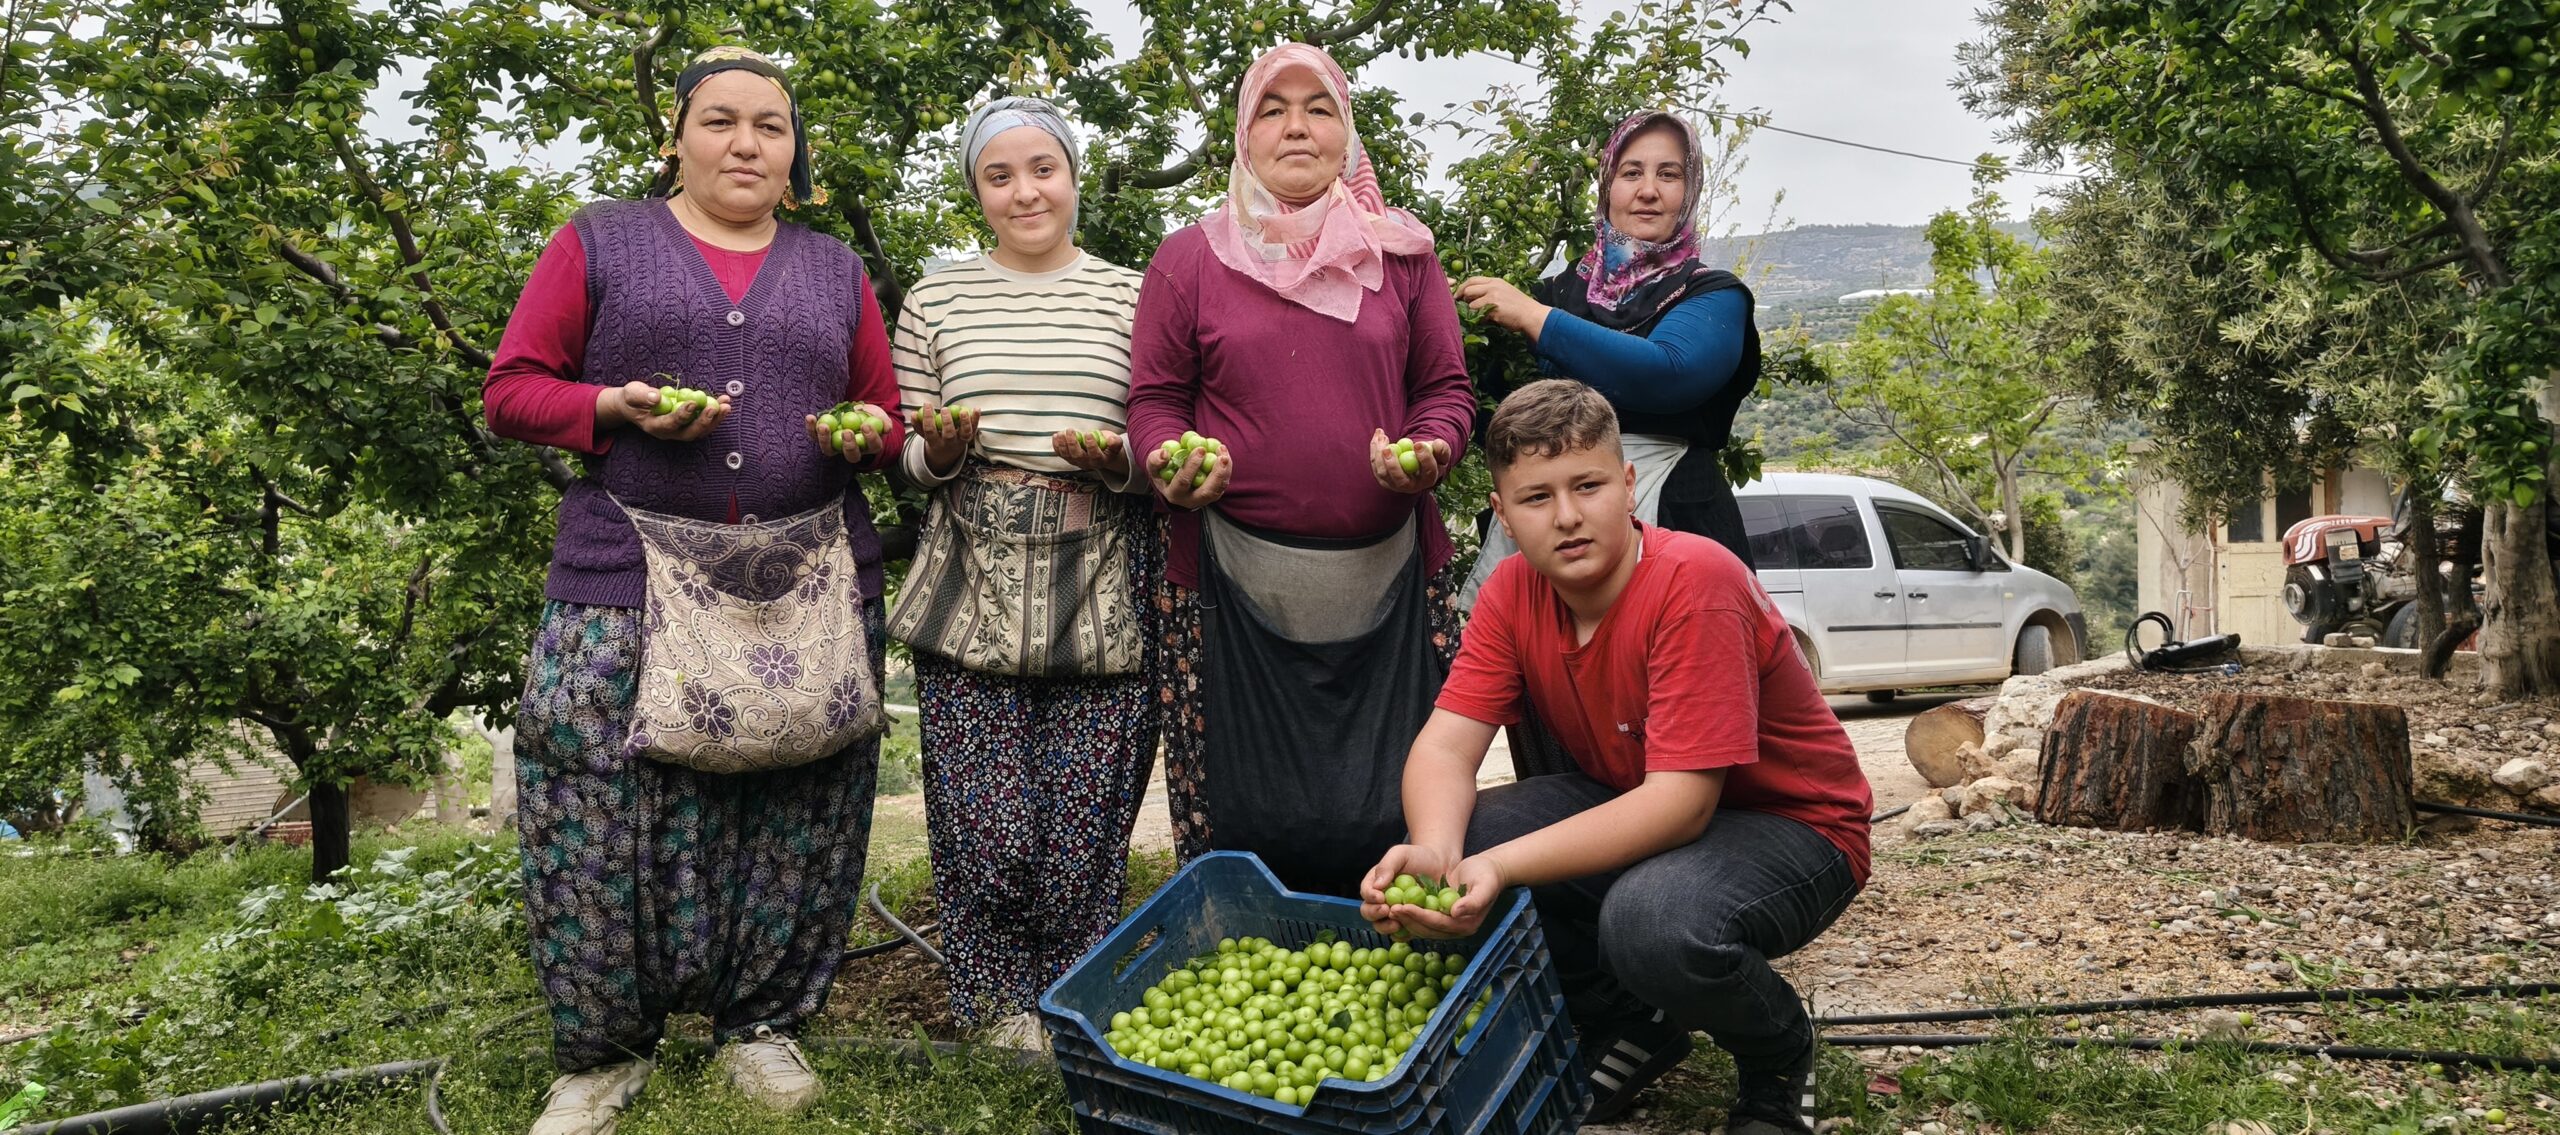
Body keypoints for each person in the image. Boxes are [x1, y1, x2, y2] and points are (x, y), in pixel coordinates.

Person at [482, 46, 902, 1135]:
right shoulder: (599, 239)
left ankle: (760, 1026)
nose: (747, 143)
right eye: (720, 121)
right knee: (594, 803)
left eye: (770, 125)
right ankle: (600, 1054)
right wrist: (613, 409)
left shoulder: (835, 270)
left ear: (794, 150)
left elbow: (883, 415)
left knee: (795, 807)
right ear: (677, 135)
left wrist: (865, 437)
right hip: (625, 577)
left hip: (803, 585)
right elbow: (514, 390)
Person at [1359, 380, 1871, 1133]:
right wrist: (1435, 849)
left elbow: (1681, 803)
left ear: (1628, 484)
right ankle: (1637, 1021)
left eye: (1588, 485)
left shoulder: (1695, 581)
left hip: (1794, 828)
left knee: (1651, 920)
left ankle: (1779, 1055)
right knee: (1460, 833)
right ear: (1502, 514)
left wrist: (1498, 868)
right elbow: (1444, 745)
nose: (1567, 516)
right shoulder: (1510, 592)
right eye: (1536, 498)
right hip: (1644, 808)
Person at [1126, 42, 1477, 896]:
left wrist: (1430, 448)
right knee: (1238, 806)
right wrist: (1170, 464)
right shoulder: (1191, 259)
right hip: (1226, 583)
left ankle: (1407, 942)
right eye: (1272, 109)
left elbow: (1446, 390)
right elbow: (1154, 403)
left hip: (1390, 578)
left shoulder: (1403, 255)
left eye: (1317, 107)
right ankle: (1245, 933)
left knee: (1398, 797)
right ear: (1244, 135)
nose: (1296, 126)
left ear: (1346, 132)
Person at [885, 97, 1156, 1047]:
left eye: (1043, 168)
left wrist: (1115, 459)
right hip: (972, 571)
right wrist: (945, 453)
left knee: (1086, 816)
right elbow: (907, 458)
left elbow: (1159, 441)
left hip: (1101, 569)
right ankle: (999, 1004)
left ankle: (1073, 995)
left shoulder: (1135, 293)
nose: (1024, 190)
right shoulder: (936, 298)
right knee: (983, 819)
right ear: (976, 191)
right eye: (998, 175)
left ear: (1075, 176)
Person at [1454, 110, 1762, 606]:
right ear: (1607, 185)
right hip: (1545, 529)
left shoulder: (1711, 294)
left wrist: (1537, 321)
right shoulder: (1552, 292)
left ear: (1691, 190)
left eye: (1669, 174)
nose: (1648, 190)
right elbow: (1482, 406)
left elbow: (1668, 373)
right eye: (1631, 172)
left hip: (1677, 515)